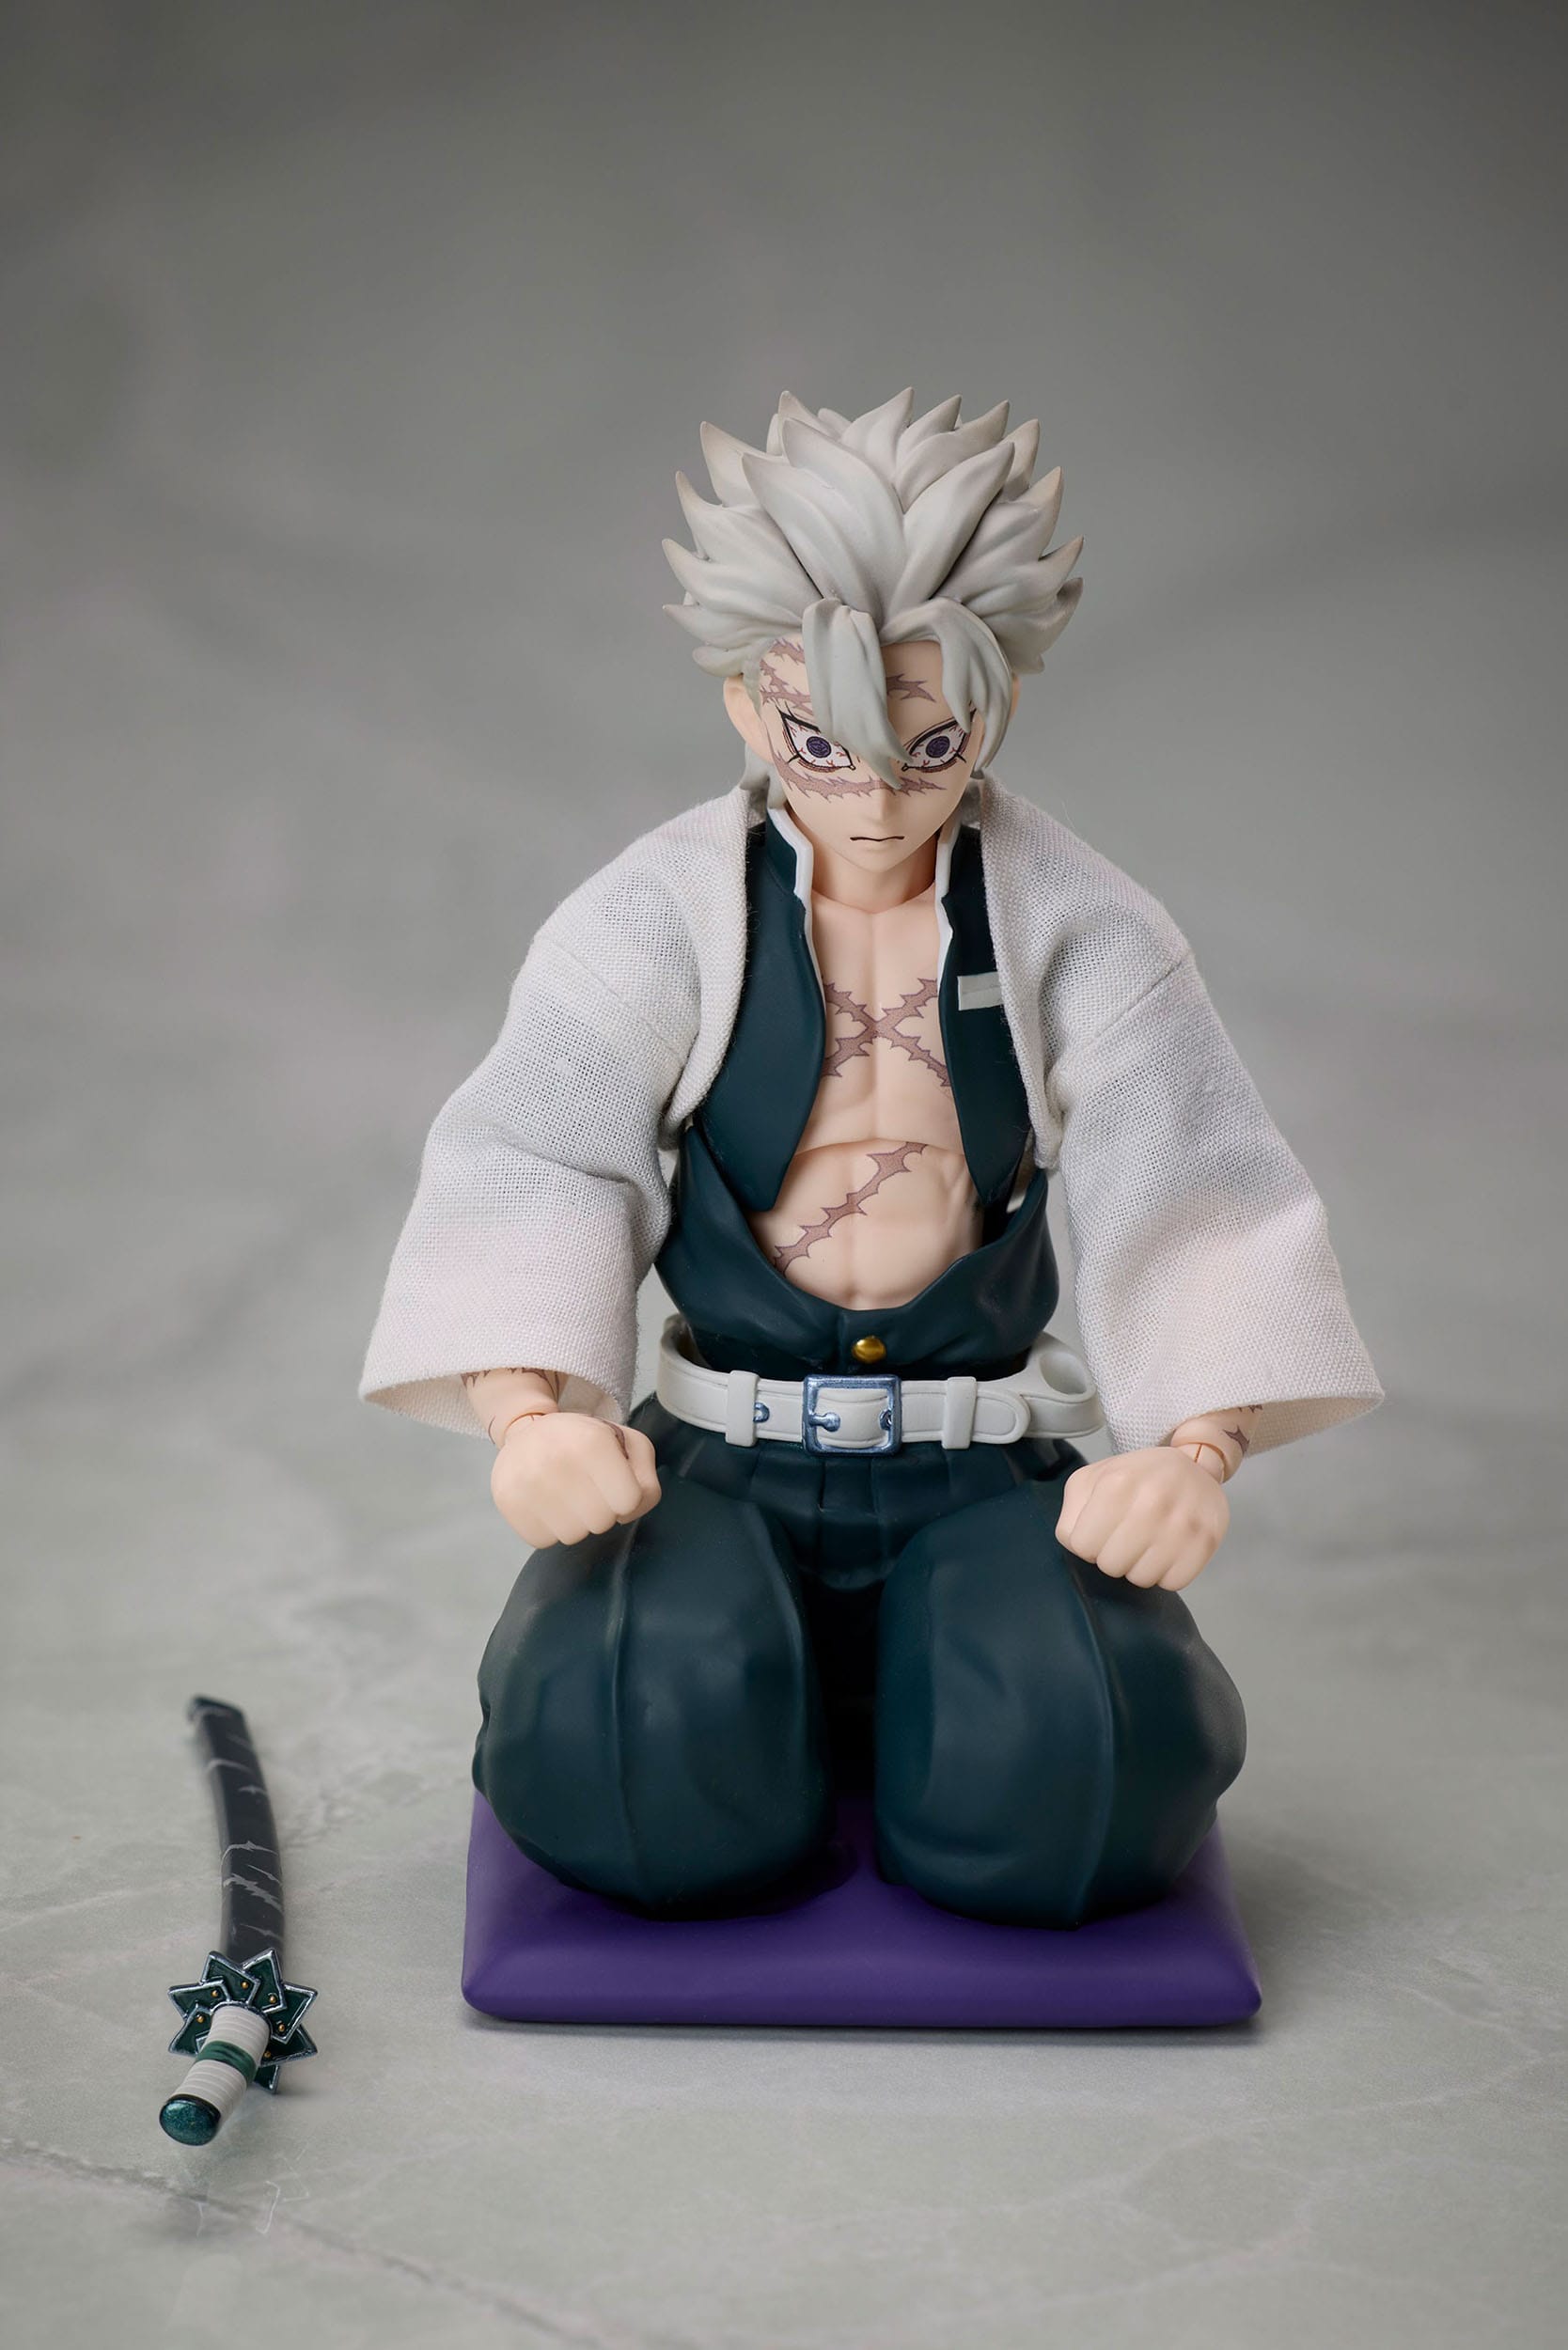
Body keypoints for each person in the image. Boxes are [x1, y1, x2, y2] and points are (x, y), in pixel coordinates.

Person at [362, 390, 1381, 1926]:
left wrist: (1194, 1451)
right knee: (625, 1740)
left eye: (931, 742)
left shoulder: (1080, 927)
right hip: (716, 1460)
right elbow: (537, 1156)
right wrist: (529, 1414)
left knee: (1085, 1770)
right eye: (819, 742)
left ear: (998, 706)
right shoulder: (654, 919)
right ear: (742, 703)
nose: (878, 794)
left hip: (981, 1472)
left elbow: (1188, 1183)